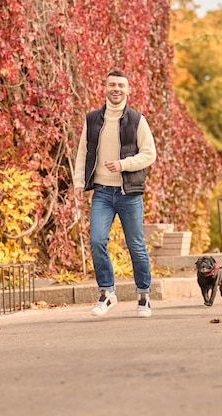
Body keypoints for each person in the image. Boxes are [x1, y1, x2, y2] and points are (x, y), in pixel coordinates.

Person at [73, 70, 157, 318]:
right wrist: (79, 182)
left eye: (121, 85)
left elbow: (149, 154)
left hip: (129, 193)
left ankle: (143, 296)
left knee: (136, 246)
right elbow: (82, 154)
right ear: (105, 87)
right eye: (112, 84)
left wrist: (124, 164)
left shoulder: (137, 120)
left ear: (128, 90)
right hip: (101, 192)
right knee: (97, 241)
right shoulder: (92, 120)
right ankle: (107, 293)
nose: (116, 88)